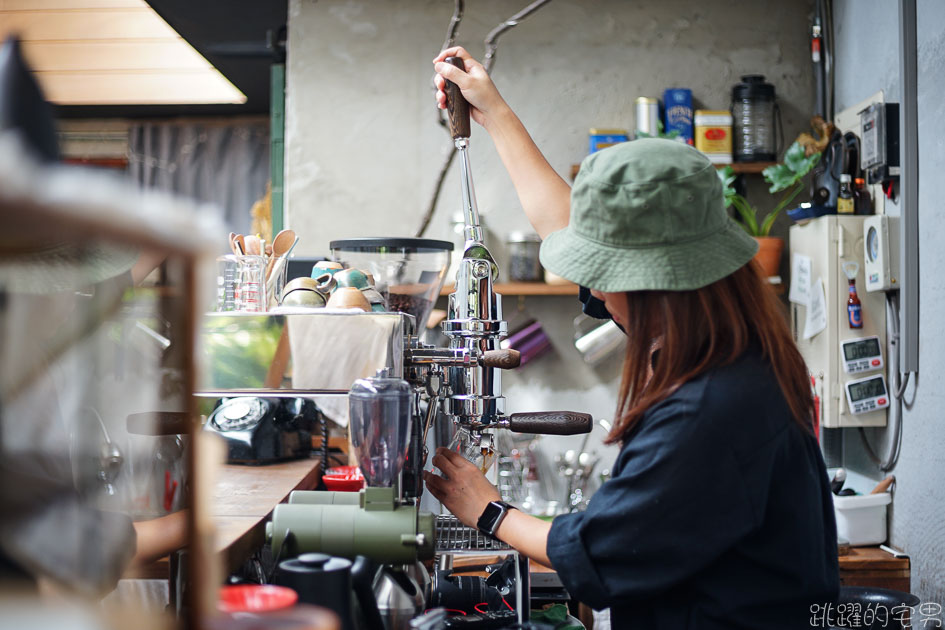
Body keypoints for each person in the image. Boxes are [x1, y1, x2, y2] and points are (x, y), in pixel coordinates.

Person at [423, 47, 839, 629]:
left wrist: (487, 509)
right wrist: (492, 111)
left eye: (603, 273)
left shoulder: (711, 410)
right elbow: (562, 225)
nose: (592, 284)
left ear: (651, 287)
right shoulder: (725, 338)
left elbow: (600, 555)